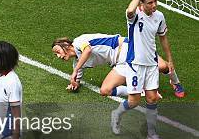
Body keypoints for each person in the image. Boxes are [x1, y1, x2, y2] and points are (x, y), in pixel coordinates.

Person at [111, 0, 175, 139]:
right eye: (150, 2)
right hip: (135, 64)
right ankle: (117, 114)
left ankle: (151, 134)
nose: (154, 5)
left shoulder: (159, 16)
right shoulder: (134, 16)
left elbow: (163, 38)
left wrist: (169, 59)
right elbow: (129, 10)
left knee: (152, 98)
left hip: (152, 64)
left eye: (155, 1)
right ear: (141, 3)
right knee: (134, 101)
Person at [51, 33, 184, 98]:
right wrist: (74, 84)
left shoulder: (79, 41)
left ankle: (176, 82)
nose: (58, 56)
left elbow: (88, 50)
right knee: (105, 91)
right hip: (120, 63)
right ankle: (140, 90)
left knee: (162, 67)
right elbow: (77, 80)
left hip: (127, 48)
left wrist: (75, 70)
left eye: (58, 51)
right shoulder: (77, 63)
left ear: (66, 45)